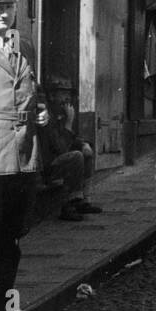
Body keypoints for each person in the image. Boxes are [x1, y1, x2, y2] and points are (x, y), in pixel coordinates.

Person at [0, 0, 46, 311]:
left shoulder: (23, 46)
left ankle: (3, 305)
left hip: (24, 152)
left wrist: (40, 108)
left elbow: (31, 89)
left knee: (13, 233)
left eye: (8, 7)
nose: (2, 13)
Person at [42, 92, 101, 221]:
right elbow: (61, 148)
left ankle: (84, 201)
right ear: (52, 97)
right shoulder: (47, 118)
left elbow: (73, 138)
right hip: (48, 167)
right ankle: (68, 206)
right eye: (62, 100)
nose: (67, 102)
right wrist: (69, 122)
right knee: (76, 157)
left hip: (59, 162)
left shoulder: (60, 116)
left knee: (86, 152)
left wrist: (84, 144)